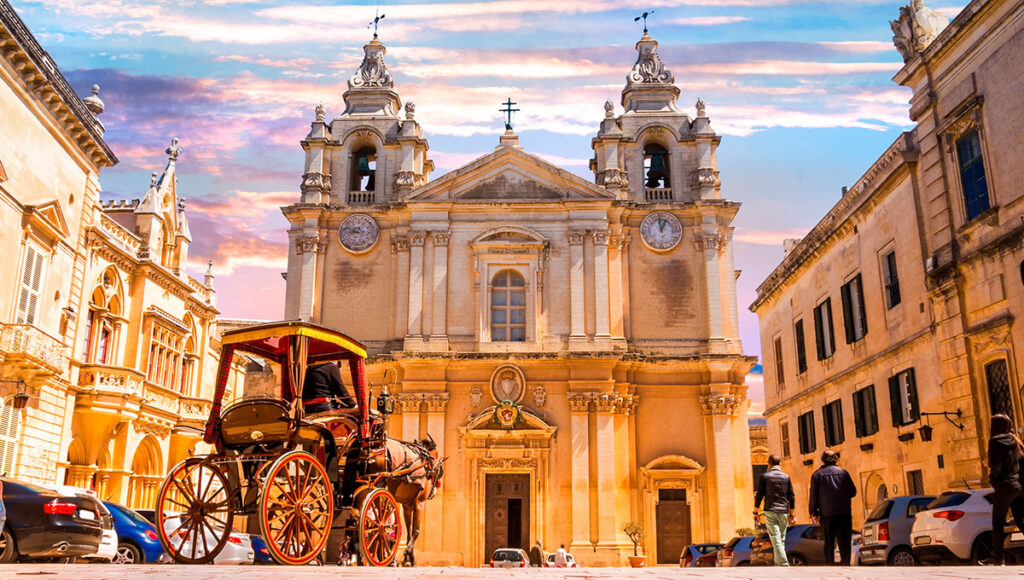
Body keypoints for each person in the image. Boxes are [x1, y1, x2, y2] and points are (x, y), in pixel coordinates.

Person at [980, 414, 1024, 565]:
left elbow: (996, 467)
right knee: (1021, 520)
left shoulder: (994, 441)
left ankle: (997, 557)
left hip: (1005, 486)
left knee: (998, 523)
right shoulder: (1015, 440)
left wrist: (993, 480)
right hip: (1018, 487)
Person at [808, 449, 857, 565]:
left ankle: (830, 564)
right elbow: (853, 492)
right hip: (844, 512)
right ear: (836, 459)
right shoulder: (844, 473)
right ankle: (845, 563)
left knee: (829, 541)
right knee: (844, 540)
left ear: (823, 460)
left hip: (827, 513)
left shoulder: (817, 475)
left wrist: (813, 512)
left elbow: (813, 496)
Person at [754, 454, 796, 566]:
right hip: (783, 511)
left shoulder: (764, 477)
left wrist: (755, 511)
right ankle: (779, 564)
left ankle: (783, 563)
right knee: (781, 538)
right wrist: (792, 514)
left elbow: (759, 495)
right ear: (780, 464)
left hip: (770, 509)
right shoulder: (786, 477)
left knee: (775, 537)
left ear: (768, 464)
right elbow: (791, 497)